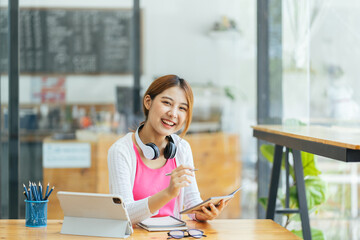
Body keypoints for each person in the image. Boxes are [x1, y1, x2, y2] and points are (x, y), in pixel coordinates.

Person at [108, 75, 229, 224]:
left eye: (182, 108)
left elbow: (192, 202)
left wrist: (202, 213)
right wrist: (168, 193)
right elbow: (124, 214)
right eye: (167, 103)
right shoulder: (121, 151)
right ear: (148, 102)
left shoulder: (181, 148)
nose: (173, 113)